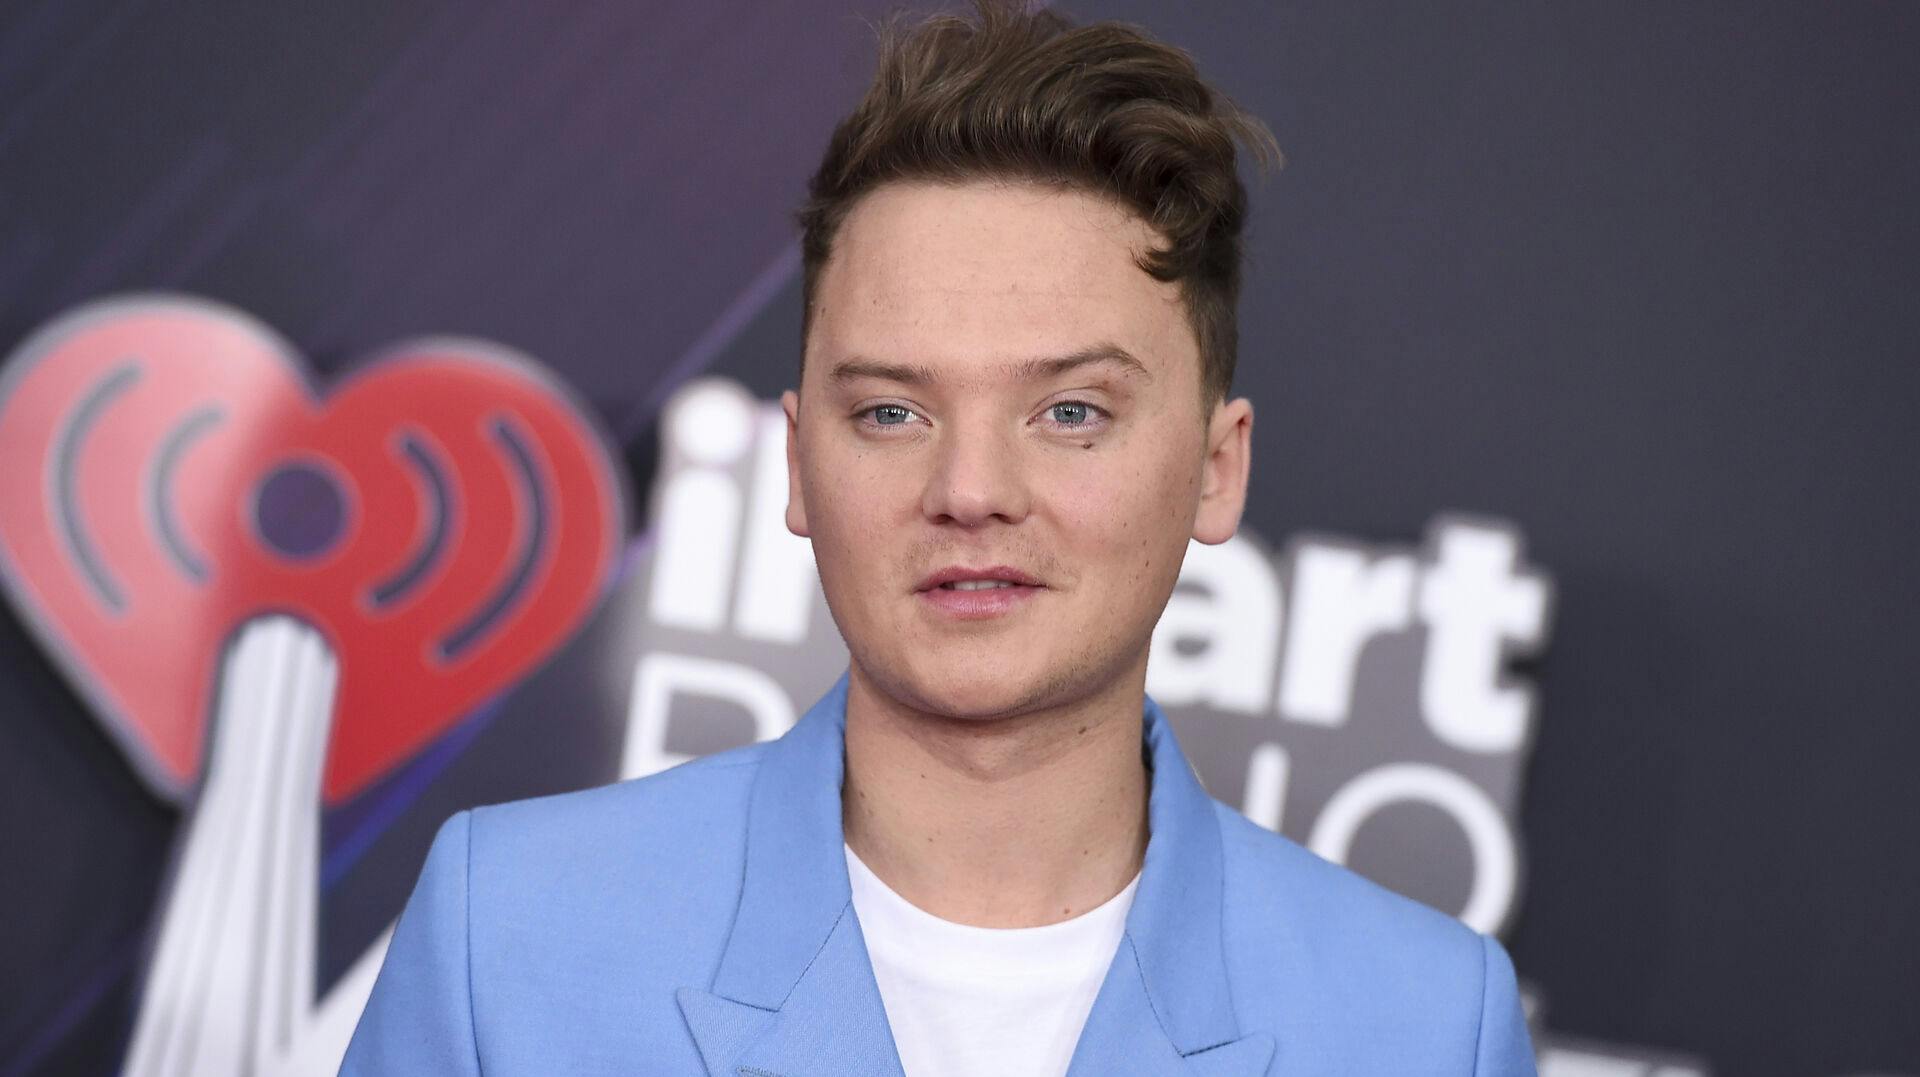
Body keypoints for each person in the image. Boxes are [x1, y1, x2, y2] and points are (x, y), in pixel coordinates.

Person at [341, 3, 1536, 1074]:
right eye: (893, 413)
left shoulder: (1426, 1025)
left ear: (1217, 470)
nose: (971, 490)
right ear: (802, 462)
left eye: (1071, 411)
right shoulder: (505, 936)